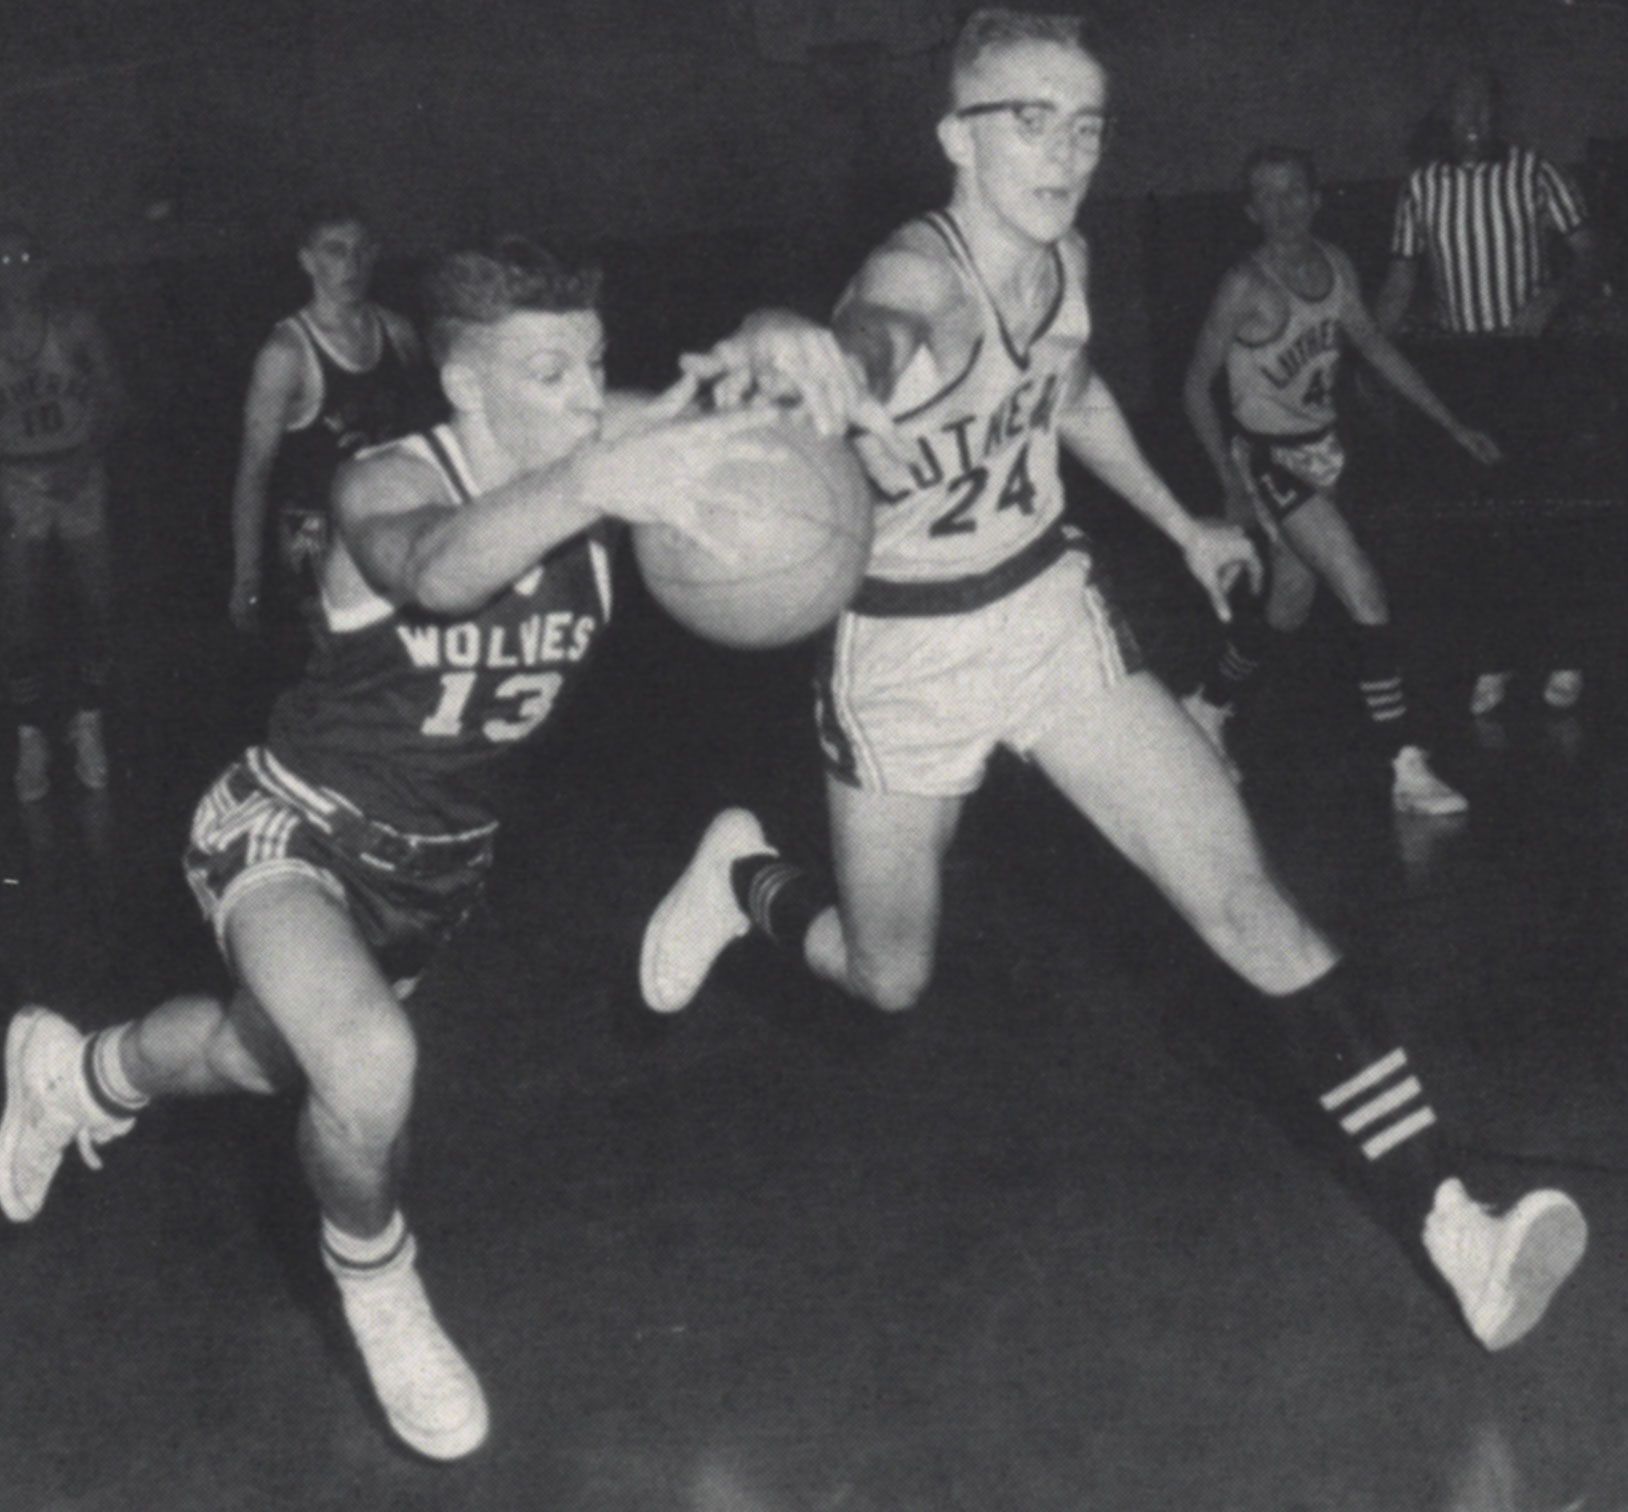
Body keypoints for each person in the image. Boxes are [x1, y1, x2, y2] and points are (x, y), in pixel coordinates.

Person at [643, 9, 1586, 1352]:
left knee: (1246, 902)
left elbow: (1069, 389)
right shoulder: (922, 280)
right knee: (888, 977)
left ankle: (1457, 1228)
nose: (1066, 149)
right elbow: (855, 343)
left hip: (1046, 613)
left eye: (1086, 123)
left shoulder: (1065, 256)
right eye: (1030, 117)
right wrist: (784, 333)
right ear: (953, 134)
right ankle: (744, 873)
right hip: (906, 659)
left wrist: (1181, 521)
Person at [0, 235, 761, 1460]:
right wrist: (603, 479)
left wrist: (785, 342)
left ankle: (73, 1074)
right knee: (367, 1062)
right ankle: (378, 1280)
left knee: (263, 1062)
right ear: (468, 384)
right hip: (290, 824)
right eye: (551, 370)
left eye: (595, 365)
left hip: (437, 874)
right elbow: (439, 573)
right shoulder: (384, 485)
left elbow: (750, 405)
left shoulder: (588, 436)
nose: (584, 395)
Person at [1180, 146, 1501, 812]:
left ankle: (1206, 706)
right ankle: (1408, 767)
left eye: (1293, 191)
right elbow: (1193, 388)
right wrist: (1230, 483)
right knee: (1363, 588)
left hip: (1323, 453)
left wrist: (1451, 424)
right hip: (1268, 459)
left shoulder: (1336, 265)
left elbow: (1376, 349)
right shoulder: (1245, 283)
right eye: (1265, 196)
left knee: (1287, 612)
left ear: (1316, 198)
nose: (1282, 207)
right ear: (1249, 210)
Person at [1374, 70, 1598, 718]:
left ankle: (1563, 651)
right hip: (1461, 369)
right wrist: (1365, 354)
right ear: (1444, 115)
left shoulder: (1535, 172)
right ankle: (1492, 658)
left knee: (1541, 508)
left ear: (1499, 114)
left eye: (1482, 104)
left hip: (1530, 363)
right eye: (1458, 104)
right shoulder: (1421, 186)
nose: (1470, 115)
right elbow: (1398, 280)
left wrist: (1552, 296)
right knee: (1474, 525)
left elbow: (1590, 252)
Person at [228, 202, 429, 681]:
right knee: (337, 664)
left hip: (386, 518)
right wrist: (246, 575)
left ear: (376, 255)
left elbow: (422, 440)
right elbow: (254, 471)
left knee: (402, 665)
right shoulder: (285, 353)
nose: (351, 265)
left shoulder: (398, 332)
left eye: (361, 251)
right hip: (312, 529)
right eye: (335, 251)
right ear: (307, 260)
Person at [0, 221, 128, 802]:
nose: (18, 270)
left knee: (97, 605)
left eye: (27, 256)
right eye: (5, 261)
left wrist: (86, 459)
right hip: (15, 479)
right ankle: (30, 736)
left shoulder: (75, 326)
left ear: (44, 264)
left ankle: (89, 721)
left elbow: (118, 402)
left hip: (79, 473)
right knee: (20, 613)